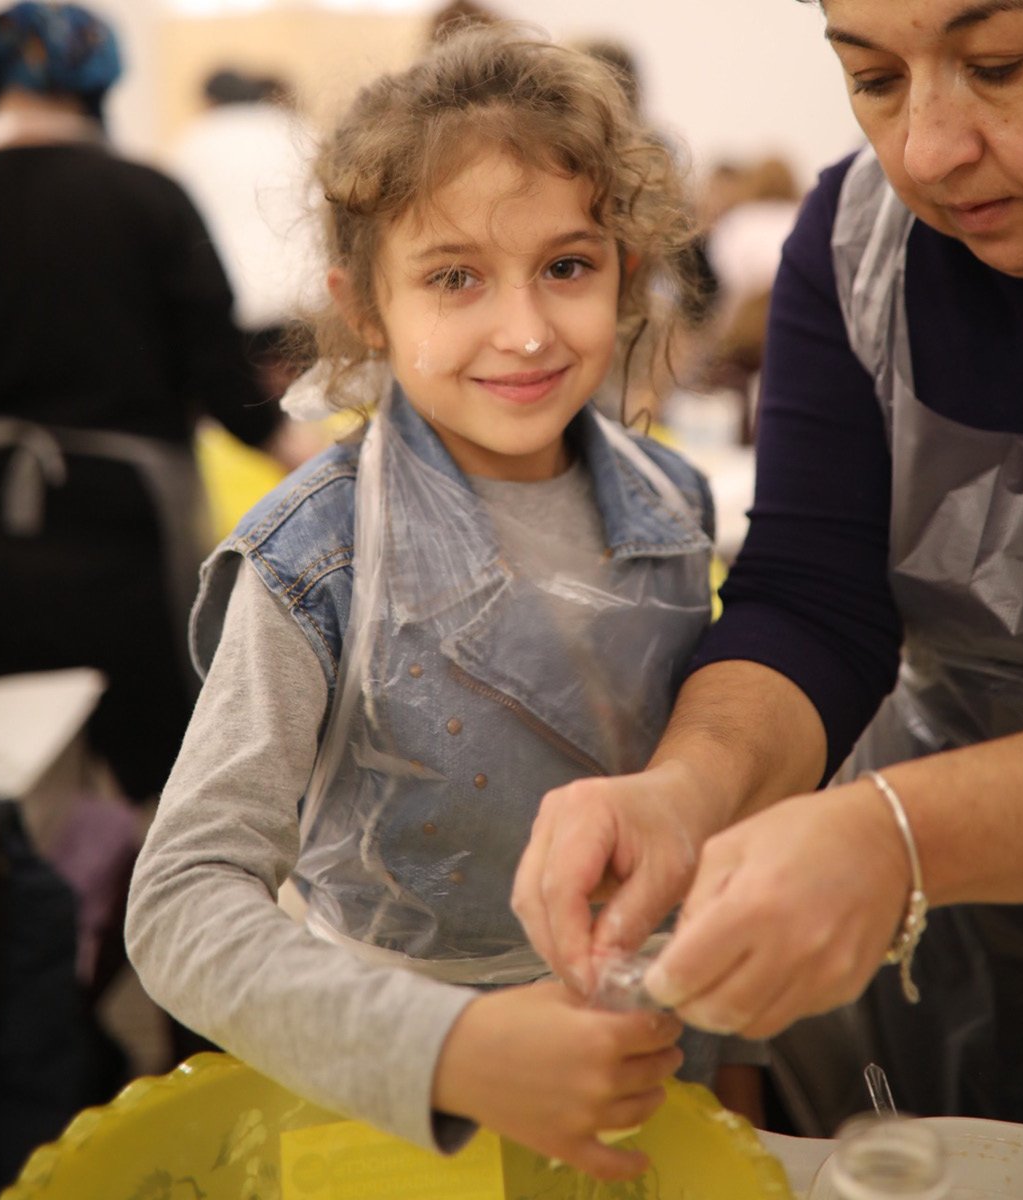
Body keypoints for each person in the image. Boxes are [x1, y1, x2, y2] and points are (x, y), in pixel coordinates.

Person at [512, 0, 1023, 1141]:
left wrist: (897, 838)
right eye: (875, 79)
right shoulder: (855, 247)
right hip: (962, 935)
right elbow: (813, 602)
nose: (928, 150)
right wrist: (687, 791)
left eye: (995, 66)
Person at [126, 27, 729, 1181]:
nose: (525, 331)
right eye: (455, 276)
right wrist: (447, 1049)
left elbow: (701, 792)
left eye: (567, 266)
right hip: (396, 1094)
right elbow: (181, 900)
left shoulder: (672, 498)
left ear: (626, 264)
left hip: (644, 1066)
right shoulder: (315, 558)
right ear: (366, 307)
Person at [0, 2, 312, 805]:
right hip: (122, 539)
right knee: (160, 779)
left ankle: (33, 923)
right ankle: (132, 929)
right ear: (101, 80)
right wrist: (319, 458)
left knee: (14, 780)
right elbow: (225, 383)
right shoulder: (146, 198)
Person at [167, 67, 320, 402]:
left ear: (210, 101)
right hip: (306, 297)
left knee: (249, 407)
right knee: (310, 403)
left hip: (235, 298)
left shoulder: (196, 139)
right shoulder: (295, 129)